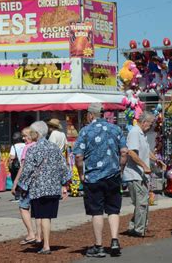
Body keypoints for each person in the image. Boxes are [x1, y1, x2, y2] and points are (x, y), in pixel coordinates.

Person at [73, 103, 127, 258]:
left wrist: (81, 173)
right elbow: (124, 152)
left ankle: (99, 245)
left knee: (96, 211)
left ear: (91, 115)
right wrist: (120, 170)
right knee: (113, 210)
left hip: (94, 177)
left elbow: (78, 156)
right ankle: (115, 240)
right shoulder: (115, 129)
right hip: (113, 175)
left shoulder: (85, 131)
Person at [18, 121, 70, 255]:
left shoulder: (33, 149)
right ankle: (42, 241)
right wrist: (64, 185)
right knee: (47, 217)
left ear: (36, 133)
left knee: (42, 216)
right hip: (53, 187)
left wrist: (22, 186)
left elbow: (27, 171)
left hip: (38, 188)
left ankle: (46, 245)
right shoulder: (54, 148)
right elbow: (63, 168)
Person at [122, 111, 165, 237]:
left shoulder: (142, 134)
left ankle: (135, 227)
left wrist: (156, 160)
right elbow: (132, 152)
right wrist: (144, 166)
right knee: (141, 202)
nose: (152, 126)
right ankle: (139, 229)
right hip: (135, 174)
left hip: (141, 174)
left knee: (142, 202)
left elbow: (146, 151)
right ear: (144, 122)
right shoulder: (135, 133)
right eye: (151, 123)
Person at [11, 127, 42, 246]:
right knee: (38, 211)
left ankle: (31, 233)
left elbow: (22, 167)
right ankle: (39, 236)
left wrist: (15, 183)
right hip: (39, 182)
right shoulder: (39, 146)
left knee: (23, 207)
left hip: (27, 183)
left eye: (25, 136)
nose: (23, 138)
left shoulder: (27, 148)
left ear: (31, 136)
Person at [9, 132, 25, 201]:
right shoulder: (25, 145)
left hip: (16, 167)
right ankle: (23, 195)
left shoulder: (14, 146)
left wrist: (9, 164)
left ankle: (17, 195)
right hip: (25, 165)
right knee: (23, 180)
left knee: (16, 179)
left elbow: (12, 157)